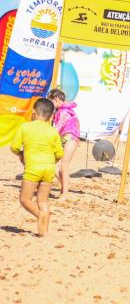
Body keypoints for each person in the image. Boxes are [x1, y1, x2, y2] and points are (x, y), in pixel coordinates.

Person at [10, 98, 63, 236]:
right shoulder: (53, 132)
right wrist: (51, 161)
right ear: (51, 116)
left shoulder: (25, 127)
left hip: (33, 168)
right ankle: (43, 231)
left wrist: (21, 155)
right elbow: (59, 154)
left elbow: (14, 147)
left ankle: (40, 215)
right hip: (49, 169)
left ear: (33, 113)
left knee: (25, 199)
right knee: (43, 200)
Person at [47, 89, 80, 197]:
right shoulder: (61, 111)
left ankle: (64, 193)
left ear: (56, 99)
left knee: (64, 166)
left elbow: (58, 127)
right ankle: (64, 187)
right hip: (63, 139)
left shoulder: (65, 111)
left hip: (70, 138)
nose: (50, 104)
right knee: (53, 165)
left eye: (50, 101)